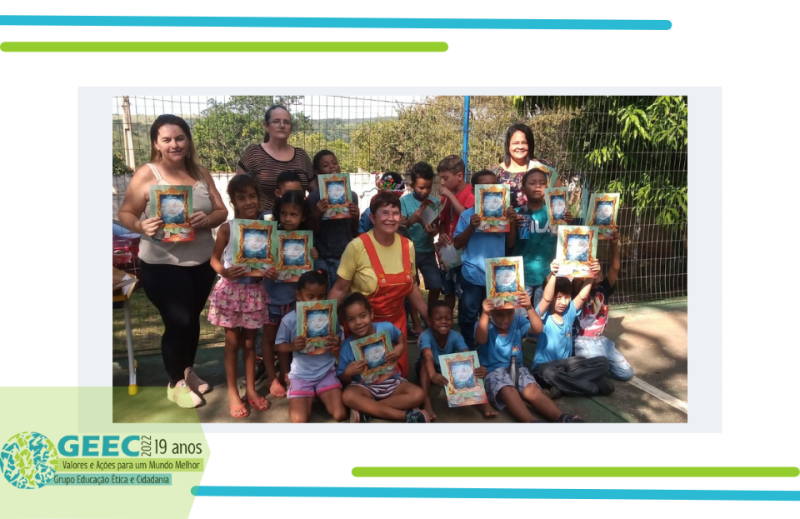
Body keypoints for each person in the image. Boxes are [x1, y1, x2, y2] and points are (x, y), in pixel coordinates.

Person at [117, 114, 228, 409]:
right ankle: (174, 382)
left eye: (179, 138)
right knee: (178, 322)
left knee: (192, 322)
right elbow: (125, 213)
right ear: (156, 143)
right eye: (166, 139)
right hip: (162, 264)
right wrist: (141, 226)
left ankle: (187, 371)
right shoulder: (147, 173)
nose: (174, 144)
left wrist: (208, 218)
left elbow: (221, 212)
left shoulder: (202, 172)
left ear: (188, 140)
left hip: (201, 264)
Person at [330, 192, 430, 378]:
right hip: (364, 327)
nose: (390, 218)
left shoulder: (408, 245)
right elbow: (339, 289)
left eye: (395, 213)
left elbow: (411, 285)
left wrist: (427, 315)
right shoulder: (356, 247)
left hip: (396, 326)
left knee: (396, 380)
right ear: (372, 217)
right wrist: (323, 324)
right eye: (384, 213)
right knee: (368, 380)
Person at [207, 173, 271, 418]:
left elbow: (272, 262)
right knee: (233, 344)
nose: (248, 202)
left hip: (255, 291)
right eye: (241, 198)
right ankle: (234, 393)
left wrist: (272, 272)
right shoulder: (227, 228)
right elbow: (214, 259)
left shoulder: (267, 229)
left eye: (252, 196)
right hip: (231, 292)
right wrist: (225, 271)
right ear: (233, 202)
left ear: (258, 197)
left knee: (249, 344)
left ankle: (252, 391)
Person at [476, 292, 582, 422]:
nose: (505, 319)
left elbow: (538, 329)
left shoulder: (517, 321)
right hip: (493, 372)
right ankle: (531, 422)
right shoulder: (485, 323)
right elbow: (480, 339)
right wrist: (485, 314)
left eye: (509, 314)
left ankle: (562, 417)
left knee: (532, 389)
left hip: (518, 369)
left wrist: (529, 307)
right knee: (508, 390)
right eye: (499, 315)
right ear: (491, 313)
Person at [260, 190, 319, 398]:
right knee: (269, 340)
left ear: (302, 216)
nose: (287, 218)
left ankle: (287, 373)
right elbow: (259, 263)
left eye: (293, 214)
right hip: (272, 300)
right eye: (284, 213)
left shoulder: (307, 239)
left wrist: (313, 256)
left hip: (295, 302)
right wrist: (267, 268)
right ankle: (271, 377)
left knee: (290, 339)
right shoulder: (270, 236)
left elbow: (311, 275)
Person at [336, 293, 429, 423]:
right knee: (348, 396)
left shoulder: (385, 327)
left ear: (371, 314)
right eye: (351, 319)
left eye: (363, 316)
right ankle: (405, 416)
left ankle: (368, 411)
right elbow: (342, 378)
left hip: (392, 382)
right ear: (346, 322)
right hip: (364, 387)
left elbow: (400, 336)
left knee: (418, 394)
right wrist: (348, 372)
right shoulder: (347, 346)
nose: (358, 322)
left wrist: (401, 346)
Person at [452, 170, 518, 349]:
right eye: (484, 186)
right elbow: (457, 243)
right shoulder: (467, 215)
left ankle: (488, 350)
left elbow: (510, 245)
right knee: (468, 314)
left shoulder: (502, 215)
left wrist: (511, 222)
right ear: (474, 191)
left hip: (497, 277)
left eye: (493, 185)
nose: (490, 189)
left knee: (493, 314)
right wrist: (471, 227)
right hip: (472, 275)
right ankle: (467, 347)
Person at [532, 261, 614, 398]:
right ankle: (593, 388)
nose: (564, 302)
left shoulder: (569, 312)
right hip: (545, 368)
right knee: (548, 373)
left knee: (603, 363)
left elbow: (582, 296)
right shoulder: (540, 315)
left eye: (567, 297)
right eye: (559, 297)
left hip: (567, 366)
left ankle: (561, 387)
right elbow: (546, 299)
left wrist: (590, 273)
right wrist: (553, 274)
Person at [275, 270, 347, 423]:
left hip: (326, 372)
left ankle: (320, 393)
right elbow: (278, 346)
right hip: (301, 376)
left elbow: (341, 337)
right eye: (310, 296)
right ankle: (309, 395)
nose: (316, 301)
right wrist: (292, 346)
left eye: (321, 296)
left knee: (340, 414)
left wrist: (337, 341)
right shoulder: (289, 320)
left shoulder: (330, 315)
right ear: (298, 296)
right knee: (298, 420)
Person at [573, 231, 634, 381]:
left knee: (626, 373)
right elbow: (576, 282)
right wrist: (585, 272)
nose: (597, 271)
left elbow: (615, 268)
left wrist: (614, 245)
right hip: (582, 340)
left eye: (598, 268)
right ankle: (582, 365)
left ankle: (598, 365)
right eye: (592, 269)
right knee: (597, 374)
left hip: (601, 340)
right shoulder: (578, 290)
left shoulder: (604, 288)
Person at [506, 168, 572, 308]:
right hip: (521, 275)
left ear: (547, 188)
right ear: (523, 190)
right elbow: (510, 244)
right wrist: (512, 224)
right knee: (520, 317)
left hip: (547, 276)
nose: (537, 186)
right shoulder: (517, 213)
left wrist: (568, 224)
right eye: (532, 182)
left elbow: (566, 243)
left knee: (542, 317)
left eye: (542, 183)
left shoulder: (556, 214)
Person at [416, 301, 492, 420]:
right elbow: (428, 356)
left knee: (469, 361)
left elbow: (466, 354)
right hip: (428, 368)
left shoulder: (456, 336)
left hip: (447, 369)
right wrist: (432, 374)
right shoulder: (425, 336)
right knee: (424, 365)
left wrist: (478, 367)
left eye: (448, 318)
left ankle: (482, 401)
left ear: (453, 320)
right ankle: (426, 403)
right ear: (430, 321)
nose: (444, 322)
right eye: (438, 318)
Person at [236, 105, 317, 213]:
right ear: (266, 126)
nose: (282, 125)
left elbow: (315, 191)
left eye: (286, 122)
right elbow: (238, 191)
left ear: (291, 128)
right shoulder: (253, 153)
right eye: (276, 121)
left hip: (297, 226)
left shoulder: (301, 156)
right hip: (263, 224)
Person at [400, 162, 442, 335]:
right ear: (412, 186)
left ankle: (428, 317)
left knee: (436, 285)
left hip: (427, 251)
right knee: (412, 288)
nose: (425, 191)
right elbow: (400, 227)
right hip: (408, 252)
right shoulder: (404, 202)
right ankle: (416, 323)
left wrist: (433, 232)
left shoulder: (435, 202)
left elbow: (437, 228)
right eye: (421, 187)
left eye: (428, 187)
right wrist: (413, 221)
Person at [308, 150, 359, 290]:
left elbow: (354, 229)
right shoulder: (314, 198)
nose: (332, 167)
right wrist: (317, 214)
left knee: (344, 296)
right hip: (322, 257)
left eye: (335, 163)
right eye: (326, 165)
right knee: (327, 295)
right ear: (318, 172)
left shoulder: (351, 196)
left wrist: (356, 215)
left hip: (346, 254)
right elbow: (311, 230)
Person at [491, 123, 562, 208]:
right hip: (507, 221)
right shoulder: (496, 172)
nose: (520, 147)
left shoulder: (544, 167)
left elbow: (560, 201)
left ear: (530, 145)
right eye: (515, 143)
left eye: (524, 143)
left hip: (542, 220)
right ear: (508, 145)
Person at [436, 155, 474, 311]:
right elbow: (443, 221)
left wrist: (450, 195)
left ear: (459, 176)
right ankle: (448, 320)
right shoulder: (445, 198)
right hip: (448, 251)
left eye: (445, 178)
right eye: (441, 179)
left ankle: (465, 322)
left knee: (463, 291)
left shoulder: (469, 193)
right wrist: (442, 233)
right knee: (448, 290)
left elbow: (467, 216)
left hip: (464, 251)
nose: (442, 183)